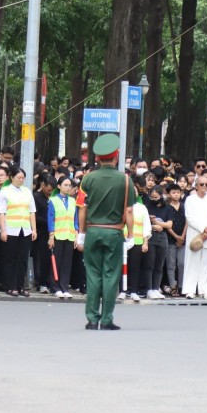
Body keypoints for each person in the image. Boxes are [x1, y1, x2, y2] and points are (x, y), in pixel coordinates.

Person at [77, 134, 136, 330]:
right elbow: (128, 210)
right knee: (111, 275)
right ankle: (107, 319)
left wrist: (81, 233)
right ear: (116, 156)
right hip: (114, 233)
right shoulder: (126, 181)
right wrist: (131, 235)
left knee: (93, 274)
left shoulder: (87, 179)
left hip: (93, 231)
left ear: (98, 158)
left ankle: (92, 319)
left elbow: (82, 208)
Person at [0, 166, 37, 297]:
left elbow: (32, 212)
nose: (21, 180)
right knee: (10, 259)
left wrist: (33, 229)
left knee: (23, 259)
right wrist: (3, 230)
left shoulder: (27, 191)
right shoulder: (5, 191)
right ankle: (10, 286)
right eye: (18, 177)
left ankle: (21, 286)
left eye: (23, 178)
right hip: (11, 229)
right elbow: (1, 212)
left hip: (25, 229)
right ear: (11, 177)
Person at [182, 175, 207, 300]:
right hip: (195, 234)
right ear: (196, 185)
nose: (204, 187)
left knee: (206, 264)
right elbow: (190, 217)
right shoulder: (190, 199)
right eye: (201, 184)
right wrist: (203, 228)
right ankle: (190, 290)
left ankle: (204, 290)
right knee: (192, 262)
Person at [47, 175, 78, 299]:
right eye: (65, 185)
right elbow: (51, 219)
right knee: (57, 262)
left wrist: (76, 234)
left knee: (67, 263)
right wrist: (51, 235)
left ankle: (64, 287)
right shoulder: (53, 200)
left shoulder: (72, 201)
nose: (68, 187)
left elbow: (75, 219)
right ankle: (55, 287)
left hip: (69, 235)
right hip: (58, 235)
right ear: (59, 186)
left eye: (69, 185)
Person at [162, 182, 186, 296]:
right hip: (170, 239)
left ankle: (181, 286)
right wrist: (176, 237)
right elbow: (167, 225)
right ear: (169, 194)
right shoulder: (167, 208)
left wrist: (182, 237)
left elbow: (187, 222)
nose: (176, 195)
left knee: (181, 263)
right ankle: (172, 286)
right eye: (173, 192)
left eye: (178, 192)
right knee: (171, 264)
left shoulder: (184, 206)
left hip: (183, 239)